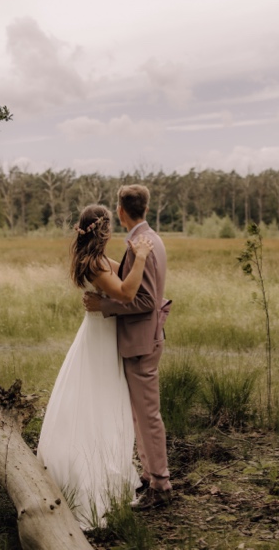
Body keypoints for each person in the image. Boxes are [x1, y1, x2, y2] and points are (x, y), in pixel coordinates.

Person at [37, 204, 153, 529]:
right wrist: (142, 256)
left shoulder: (96, 260)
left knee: (99, 402)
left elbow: (124, 272)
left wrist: (135, 258)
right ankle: (90, 484)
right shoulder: (95, 263)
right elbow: (128, 292)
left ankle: (104, 470)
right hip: (101, 340)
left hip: (99, 334)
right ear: (104, 230)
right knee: (99, 403)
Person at [84, 184, 173, 509]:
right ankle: (150, 477)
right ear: (145, 209)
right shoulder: (153, 239)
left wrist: (105, 305)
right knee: (140, 414)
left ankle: (160, 486)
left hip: (141, 342)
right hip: (145, 338)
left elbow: (147, 301)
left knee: (147, 415)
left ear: (121, 210)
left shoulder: (139, 245)